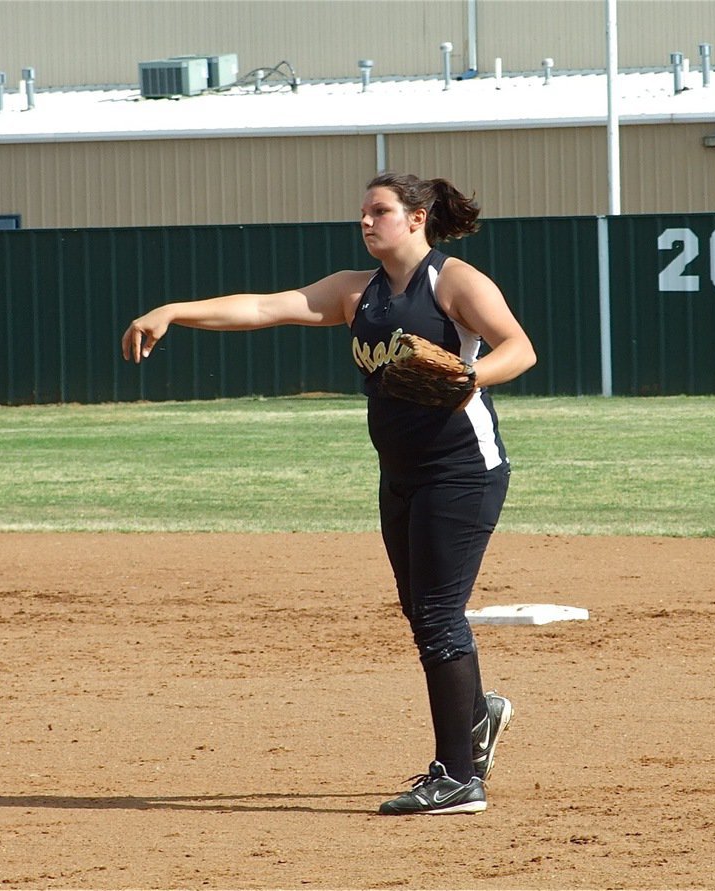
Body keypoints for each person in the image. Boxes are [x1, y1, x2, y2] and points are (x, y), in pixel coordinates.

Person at [122, 172, 537, 815]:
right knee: (421, 610)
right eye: (364, 213)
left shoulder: (453, 281)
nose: (367, 222)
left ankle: (459, 776)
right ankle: (475, 713)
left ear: (417, 219)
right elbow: (265, 307)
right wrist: (174, 311)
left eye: (380, 211)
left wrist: (468, 374)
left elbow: (521, 348)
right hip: (399, 474)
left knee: (435, 614)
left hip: (462, 470)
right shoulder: (356, 292)